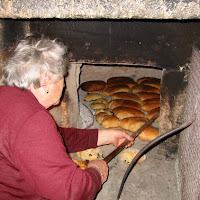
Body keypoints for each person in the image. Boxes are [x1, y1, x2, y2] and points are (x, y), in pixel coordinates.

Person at [0, 34, 134, 200]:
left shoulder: (7, 98)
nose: (64, 84)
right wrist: (96, 173)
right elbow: (70, 192)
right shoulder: (32, 120)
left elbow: (50, 139)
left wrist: (103, 135)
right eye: (63, 77)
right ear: (45, 79)